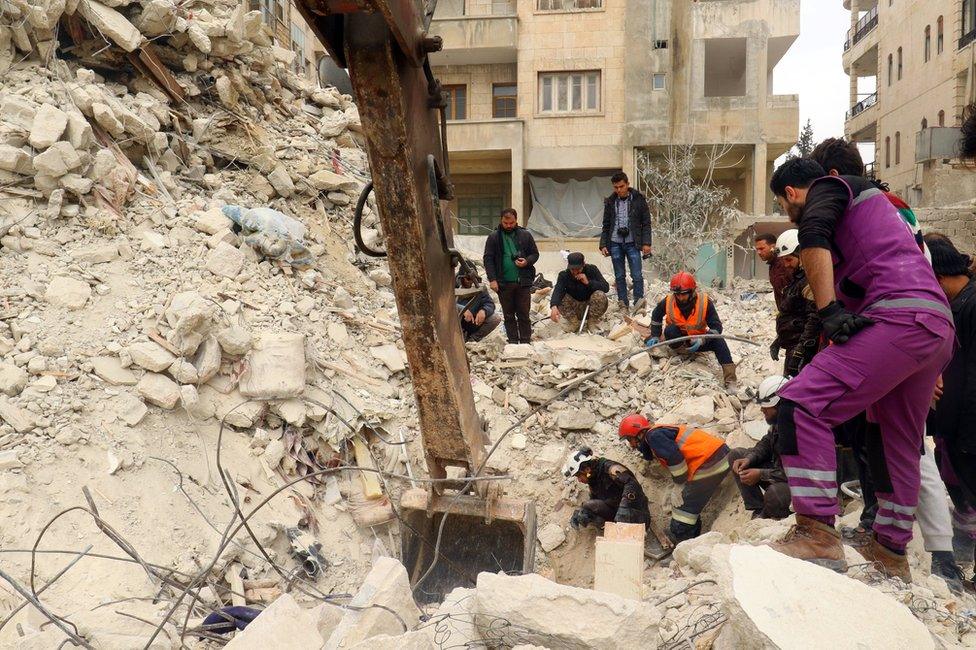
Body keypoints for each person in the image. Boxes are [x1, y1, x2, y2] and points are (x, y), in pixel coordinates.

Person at [766, 158, 954, 581]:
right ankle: (890, 549)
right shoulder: (873, 227)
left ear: (792, 192)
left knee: (800, 404)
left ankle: (816, 532)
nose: (788, 212)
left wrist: (829, 309)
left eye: (784, 204)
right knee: (896, 440)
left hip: (900, 319)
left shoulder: (831, 188)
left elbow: (812, 233)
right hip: (932, 326)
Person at [927, 235, 976, 589]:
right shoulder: (959, 305)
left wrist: (967, 433)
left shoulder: (971, 307)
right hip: (956, 423)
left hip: (969, 424)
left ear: (940, 276)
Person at [618, 414, 731, 543]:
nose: (631, 444)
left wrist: (678, 485)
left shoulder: (653, 436)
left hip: (711, 462)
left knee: (682, 511)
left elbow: (675, 459)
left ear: (637, 434)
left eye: (629, 439)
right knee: (687, 505)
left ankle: (683, 543)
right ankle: (693, 539)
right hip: (715, 458)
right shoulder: (657, 433)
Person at [646, 272, 737, 388]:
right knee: (670, 330)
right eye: (677, 294)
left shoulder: (704, 302)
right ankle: (682, 351)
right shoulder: (669, 301)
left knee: (719, 341)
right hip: (677, 341)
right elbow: (656, 315)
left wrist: (702, 340)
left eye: (683, 294)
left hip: (698, 342)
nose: (680, 298)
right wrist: (655, 335)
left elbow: (717, 327)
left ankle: (730, 380)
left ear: (692, 291)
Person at [729, 376, 793, 520]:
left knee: (775, 494)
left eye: (766, 406)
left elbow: (796, 472)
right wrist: (749, 459)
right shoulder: (779, 422)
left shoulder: (797, 427)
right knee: (736, 455)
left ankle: (770, 516)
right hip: (778, 471)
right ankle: (758, 509)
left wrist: (761, 474)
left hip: (798, 482)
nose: (762, 410)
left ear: (780, 405)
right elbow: (766, 443)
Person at [483, 208, 539, 344]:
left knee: (524, 314)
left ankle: (525, 341)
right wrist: (492, 279)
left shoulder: (525, 235)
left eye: (511, 223)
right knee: (508, 315)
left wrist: (527, 261)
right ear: (501, 221)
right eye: (505, 223)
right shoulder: (494, 237)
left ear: (516, 221)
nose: (508, 226)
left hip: (523, 281)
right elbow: (488, 259)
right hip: (503, 283)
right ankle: (513, 341)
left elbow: (535, 254)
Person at [769, 229, 820, 377]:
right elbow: (792, 314)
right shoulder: (797, 281)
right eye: (784, 260)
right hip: (794, 346)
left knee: (796, 392)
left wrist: (801, 351)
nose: (786, 265)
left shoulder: (809, 282)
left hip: (804, 351)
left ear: (802, 255)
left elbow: (814, 320)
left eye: (789, 259)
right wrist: (779, 339)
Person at [563, 447, 651, 530]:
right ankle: (614, 530)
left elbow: (631, 484)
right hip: (617, 512)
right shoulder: (593, 478)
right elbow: (594, 501)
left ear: (586, 469)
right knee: (588, 507)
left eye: (578, 475)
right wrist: (582, 512)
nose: (579, 480)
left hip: (637, 512)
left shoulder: (610, 468)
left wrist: (623, 509)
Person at [599, 172, 652, 310]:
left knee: (636, 274)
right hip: (615, 242)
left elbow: (646, 223)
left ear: (627, 184)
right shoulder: (610, 201)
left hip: (633, 242)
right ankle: (623, 302)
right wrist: (603, 244)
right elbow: (606, 224)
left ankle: (639, 303)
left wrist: (647, 243)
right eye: (615, 187)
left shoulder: (639, 199)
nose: (618, 190)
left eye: (621, 186)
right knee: (619, 275)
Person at [550, 252, 610, 331]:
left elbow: (606, 287)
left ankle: (591, 323)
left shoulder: (592, 270)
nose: (575, 272)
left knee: (599, 294)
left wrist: (588, 282)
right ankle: (574, 323)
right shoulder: (564, 275)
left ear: (584, 264)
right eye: (572, 269)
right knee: (560, 298)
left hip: (590, 308)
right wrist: (553, 306)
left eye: (578, 269)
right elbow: (558, 290)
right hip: (574, 309)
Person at [455, 270, 501, 342]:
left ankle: (472, 340)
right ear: (462, 278)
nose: (471, 282)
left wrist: (483, 311)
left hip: (473, 321)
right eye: (468, 279)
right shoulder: (452, 286)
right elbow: (446, 304)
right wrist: (462, 309)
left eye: (473, 279)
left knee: (495, 318)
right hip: (456, 322)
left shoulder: (479, 287)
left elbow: (489, 303)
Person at [755, 233, 792, 309]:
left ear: (773, 247)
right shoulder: (773, 265)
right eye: (757, 249)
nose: (758, 252)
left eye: (762, 249)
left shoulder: (784, 264)